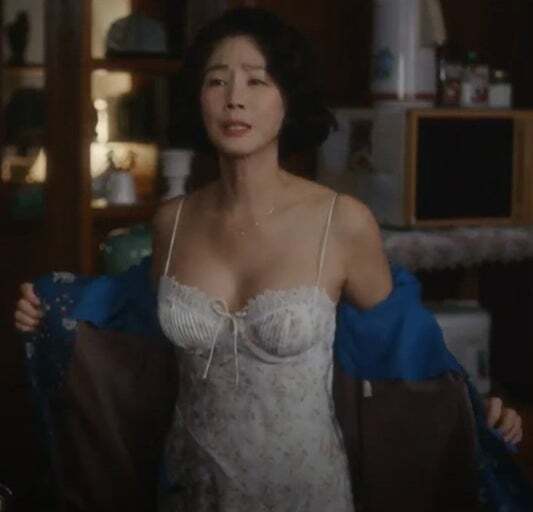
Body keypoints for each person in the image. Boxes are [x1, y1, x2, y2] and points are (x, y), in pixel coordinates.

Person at [13, 7, 524, 511]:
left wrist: (472, 411)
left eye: (257, 81)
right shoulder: (174, 220)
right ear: (198, 98)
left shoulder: (341, 222)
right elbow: (133, 309)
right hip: (191, 492)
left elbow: (404, 346)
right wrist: (52, 307)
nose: (234, 99)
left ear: (288, 99)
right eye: (217, 81)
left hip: (308, 494)